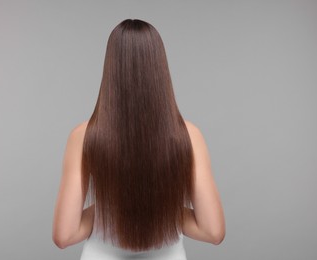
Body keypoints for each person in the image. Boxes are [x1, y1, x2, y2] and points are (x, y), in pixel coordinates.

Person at [52, 18, 225, 259]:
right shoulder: (189, 135)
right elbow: (212, 231)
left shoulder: (83, 136)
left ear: (111, 68)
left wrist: (107, 211)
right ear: (159, 67)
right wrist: (160, 212)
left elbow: (64, 235)